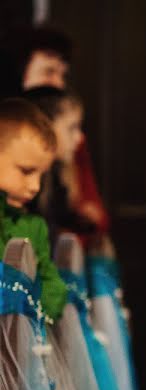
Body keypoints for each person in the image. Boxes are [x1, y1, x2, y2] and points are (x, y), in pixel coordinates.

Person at [0, 97, 65, 321]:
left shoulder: (34, 226)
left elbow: (50, 280)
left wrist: (38, 313)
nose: (35, 186)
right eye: (26, 171)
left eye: (41, 175)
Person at [21, 86, 97, 243]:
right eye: (71, 128)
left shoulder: (53, 174)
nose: (80, 138)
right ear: (44, 126)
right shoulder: (20, 182)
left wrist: (82, 221)